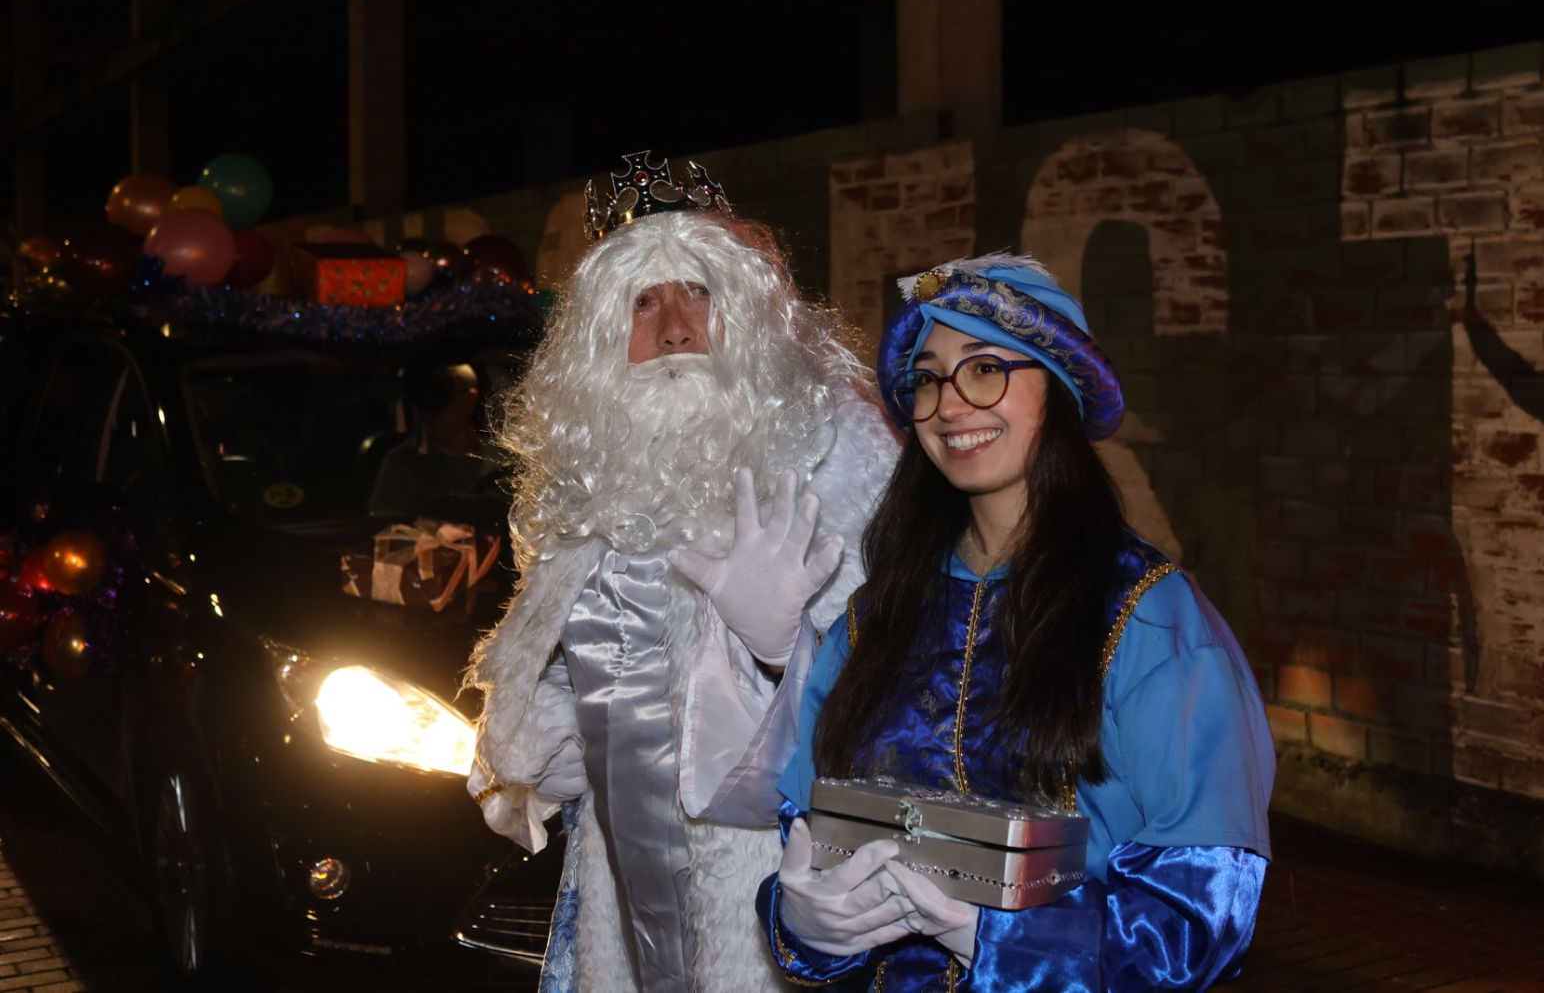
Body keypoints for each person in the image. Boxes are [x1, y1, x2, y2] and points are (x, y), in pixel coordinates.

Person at [713, 253, 1275, 990]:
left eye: (984, 369)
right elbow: (814, 831)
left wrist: (1004, 940)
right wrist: (803, 924)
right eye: (928, 378)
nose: (950, 405)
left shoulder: (1147, 615)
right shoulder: (879, 613)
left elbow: (1204, 905)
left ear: (1059, 387)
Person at [463, 152, 897, 992]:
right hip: (622, 876)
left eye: (697, 290)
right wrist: (533, 733)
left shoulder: (837, 447)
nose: (672, 328)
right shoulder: (585, 472)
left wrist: (786, 651)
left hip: (789, 877)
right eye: (642, 301)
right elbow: (555, 657)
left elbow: (912, 674)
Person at [367, 362, 503, 516]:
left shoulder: (503, 462)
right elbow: (385, 530)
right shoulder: (402, 465)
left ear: (471, 396)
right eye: (425, 398)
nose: (430, 412)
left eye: (442, 394)